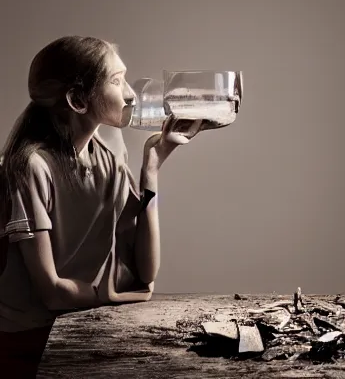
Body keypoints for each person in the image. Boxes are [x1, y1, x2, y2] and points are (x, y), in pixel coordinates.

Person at [0, 36, 201, 377]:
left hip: (79, 327)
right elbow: (51, 293)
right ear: (77, 99)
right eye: (116, 80)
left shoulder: (108, 152)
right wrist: (116, 295)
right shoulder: (30, 166)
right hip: (22, 342)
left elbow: (145, 271)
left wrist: (151, 170)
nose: (132, 94)